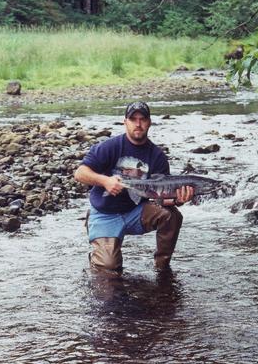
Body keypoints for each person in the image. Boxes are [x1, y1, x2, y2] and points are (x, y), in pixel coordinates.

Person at [74, 101, 194, 273]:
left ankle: (161, 269)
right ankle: (98, 251)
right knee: (109, 268)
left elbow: (162, 198)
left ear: (149, 122)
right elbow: (80, 173)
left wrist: (179, 200)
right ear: (125, 122)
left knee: (172, 216)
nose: (138, 124)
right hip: (105, 214)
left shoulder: (157, 156)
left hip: (135, 211)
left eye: (142, 119)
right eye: (133, 119)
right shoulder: (110, 147)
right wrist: (105, 181)